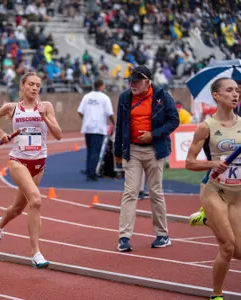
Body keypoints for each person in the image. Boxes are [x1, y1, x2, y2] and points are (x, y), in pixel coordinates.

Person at [0, 72, 62, 268]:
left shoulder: (46, 107)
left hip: (38, 163)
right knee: (35, 200)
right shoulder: (12, 108)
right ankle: (35, 252)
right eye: (31, 84)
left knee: (18, 209)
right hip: (18, 161)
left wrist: (45, 118)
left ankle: (0, 223)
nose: (35, 88)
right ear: (23, 86)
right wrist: (1, 134)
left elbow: (58, 135)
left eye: (38, 85)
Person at [185, 77, 241, 300]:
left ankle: (207, 220)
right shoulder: (206, 127)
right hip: (215, 192)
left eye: (237, 90)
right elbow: (189, 163)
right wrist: (212, 164)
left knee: (238, 252)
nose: (235, 94)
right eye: (229, 90)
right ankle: (217, 294)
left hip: (238, 195)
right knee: (227, 247)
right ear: (216, 96)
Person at [114, 65, 179, 252]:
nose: (132, 84)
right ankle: (124, 237)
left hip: (154, 150)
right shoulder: (125, 97)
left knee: (155, 192)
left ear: (148, 81)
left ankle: (162, 234)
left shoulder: (162, 96)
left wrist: (153, 134)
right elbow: (120, 125)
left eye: (137, 81)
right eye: (131, 81)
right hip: (132, 150)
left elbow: (174, 120)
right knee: (130, 192)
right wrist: (118, 151)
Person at [77, 79, 115, 181]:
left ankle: (89, 170)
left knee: (89, 151)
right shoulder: (105, 98)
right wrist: (115, 124)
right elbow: (110, 113)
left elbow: (80, 112)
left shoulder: (87, 97)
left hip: (87, 127)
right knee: (96, 151)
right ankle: (92, 173)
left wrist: (85, 119)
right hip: (98, 127)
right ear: (102, 86)